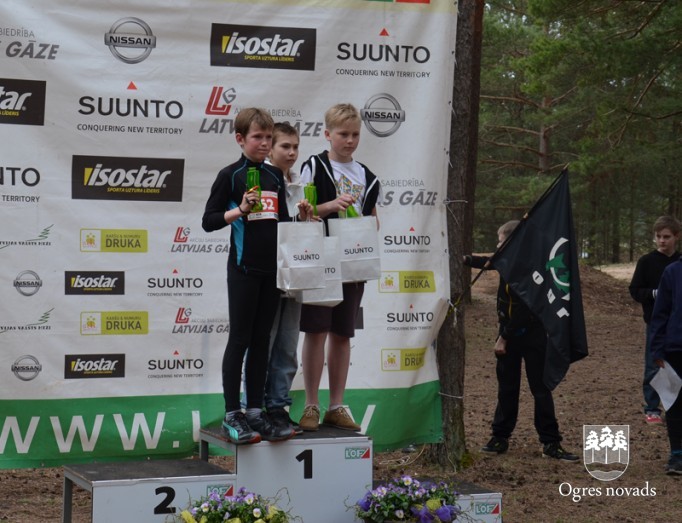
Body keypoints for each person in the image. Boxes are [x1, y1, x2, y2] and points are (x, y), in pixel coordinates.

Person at [202, 108, 312, 445]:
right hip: (243, 270)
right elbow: (208, 221)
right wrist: (239, 210)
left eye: (267, 137)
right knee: (240, 339)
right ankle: (232, 413)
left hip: (271, 272)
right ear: (240, 139)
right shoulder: (230, 175)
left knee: (262, 341)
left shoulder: (275, 176)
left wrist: (301, 219)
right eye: (257, 137)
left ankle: (254, 410)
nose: (264, 143)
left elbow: (280, 224)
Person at [464, 220, 579, 461]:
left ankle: (551, 442)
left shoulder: (531, 267)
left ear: (514, 242)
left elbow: (526, 310)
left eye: (501, 241)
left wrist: (504, 338)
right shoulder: (507, 260)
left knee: (541, 389)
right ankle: (500, 437)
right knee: (507, 388)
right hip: (507, 334)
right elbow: (487, 262)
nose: (498, 246)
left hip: (531, 336)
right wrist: (463, 259)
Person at [297, 103, 381, 432]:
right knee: (316, 330)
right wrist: (331, 205)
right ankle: (311, 405)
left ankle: (336, 405)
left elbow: (373, 218)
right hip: (321, 258)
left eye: (355, 134)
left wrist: (368, 224)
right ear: (327, 134)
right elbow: (300, 212)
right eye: (343, 134)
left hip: (353, 261)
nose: (350, 141)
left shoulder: (368, 176)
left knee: (343, 333)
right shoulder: (314, 166)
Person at [263, 122, 304, 434]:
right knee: (263, 344)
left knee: (288, 345)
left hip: (295, 272)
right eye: (285, 146)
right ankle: (254, 408)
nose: (291, 153)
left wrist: (306, 220)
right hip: (266, 273)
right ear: (270, 148)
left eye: (295, 147)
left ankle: (279, 407)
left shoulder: (298, 182)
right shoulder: (262, 179)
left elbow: (300, 230)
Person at [629, 216, 681, 424]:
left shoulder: (679, 263)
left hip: (677, 324)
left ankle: (675, 406)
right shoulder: (646, 262)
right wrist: (654, 294)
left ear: (676, 237)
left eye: (666, 237)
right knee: (653, 365)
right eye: (658, 236)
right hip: (655, 321)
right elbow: (635, 290)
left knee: (677, 365)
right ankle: (652, 408)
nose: (662, 241)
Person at [649, 253, 682, 475]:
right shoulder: (672, 272)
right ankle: (677, 454)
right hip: (676, 348)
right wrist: (656, 348)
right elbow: (660, 313)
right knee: (675, 402)